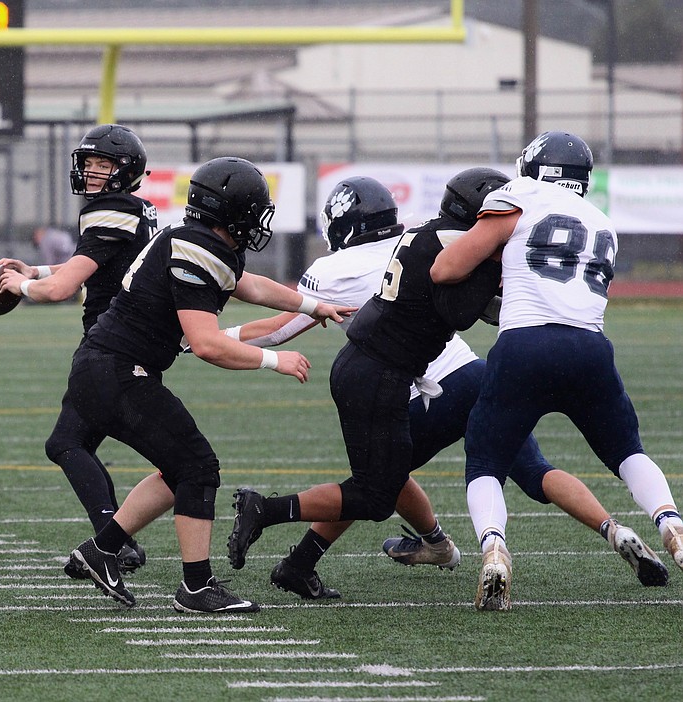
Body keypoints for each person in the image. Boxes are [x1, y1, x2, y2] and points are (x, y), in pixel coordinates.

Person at [226, 170, 670, 599]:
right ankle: (613, 529)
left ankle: (429, 545)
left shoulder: (376, 254)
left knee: (379, 482)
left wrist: (208, 340)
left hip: (421, 385)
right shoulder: (455, 241)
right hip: (469, 374)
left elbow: (278, 329)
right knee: (525, 471)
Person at [64, 156, 354, 613]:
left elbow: (249, 285)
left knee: (178, 468)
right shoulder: (196, 249)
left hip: (107, 369)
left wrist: (311, 305)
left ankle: (101, 551)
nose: (258, 222)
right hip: (116, 372)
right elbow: (206, 345)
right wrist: (274, 359)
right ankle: (196, 588)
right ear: (233, 212)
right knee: (198, 466)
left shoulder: (196, 241)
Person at [432, 131, 683, 611]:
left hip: (524, 346)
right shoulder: (602, 223)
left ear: (536, 167)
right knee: (628, 451)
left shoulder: (519, 195)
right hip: (590, 349)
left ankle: (494, 550)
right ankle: (671, 523)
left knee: (486, 462)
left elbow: (447, 269)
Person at [0, 124, 157, 575]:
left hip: (111, 345)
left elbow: (62, 288)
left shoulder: (108, 210)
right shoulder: (137, 208)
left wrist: (23, 284)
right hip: (130, 342)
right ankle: (117, 541)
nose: (91, 173)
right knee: (71, 441)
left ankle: (112, 542)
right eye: (88, 164)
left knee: (68, 442)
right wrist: (38, 266)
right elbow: (97, 260)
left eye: (103, 165)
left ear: (126, 170)